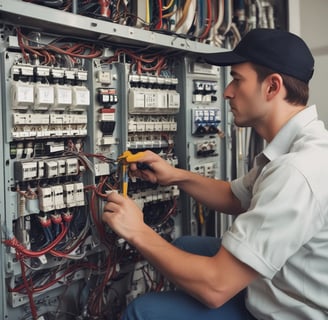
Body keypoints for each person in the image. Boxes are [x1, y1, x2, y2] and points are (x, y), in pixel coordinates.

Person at [102, 28, 328, 320]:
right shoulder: (297, 147)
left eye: (237, 79)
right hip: (281, 281)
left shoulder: (296, 172)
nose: (227, 91)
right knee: (185, 246)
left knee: (142, 312)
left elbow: (215, 288)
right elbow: (235, 197)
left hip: (290, 311)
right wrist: (176, 175)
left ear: (272, 87)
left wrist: (136, 230)